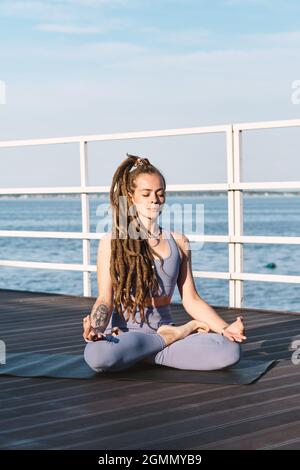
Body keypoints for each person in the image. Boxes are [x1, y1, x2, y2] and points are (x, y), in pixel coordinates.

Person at [83, 154, 246, 373]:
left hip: (161, 329)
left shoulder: (179, 242)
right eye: (146, 194)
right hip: (125, 335)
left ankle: (144, 352)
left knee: (228, 350)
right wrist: (95, 328)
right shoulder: (111, 243)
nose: (155, 200)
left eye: (160, 194)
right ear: (131, 196)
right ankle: (171, 338)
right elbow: (105, 299)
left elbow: (191, 299)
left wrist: (226, 329)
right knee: (98, 355)